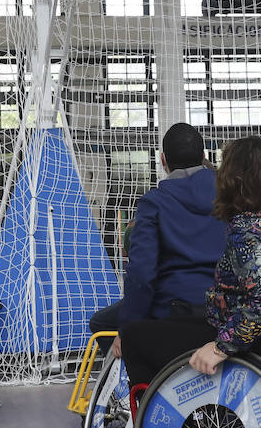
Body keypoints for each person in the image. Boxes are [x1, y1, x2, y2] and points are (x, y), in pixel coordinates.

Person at [120, 135, 261, 387]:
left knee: (134, 336)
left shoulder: (248, 229)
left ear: (231, 179)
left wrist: (221, 347)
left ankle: (157, 422)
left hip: (253, 346)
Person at [89, 123, 228, 359]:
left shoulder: (153, 203)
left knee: (101, 322)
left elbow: (142, 275)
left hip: (174, 310)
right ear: (204, 156)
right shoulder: (230, 198)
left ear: (163, 160)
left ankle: (128, 389)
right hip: (225, 308)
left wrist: (126, 329)